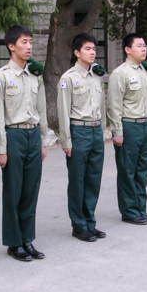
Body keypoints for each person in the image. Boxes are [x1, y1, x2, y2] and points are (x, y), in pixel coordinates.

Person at [0, 25, 49, 261]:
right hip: (13, 135)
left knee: (31, 190)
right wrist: (1, 149)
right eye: (24, 42)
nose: (29, 46)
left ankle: (27, 239)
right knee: (13, 191)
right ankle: (14, 243)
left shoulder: (35, 75)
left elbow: (41, 109)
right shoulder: (1, 77)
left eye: (30, 42)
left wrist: (44, 140)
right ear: (11, 46)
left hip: (32, 135)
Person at [57, 33, 106, 242]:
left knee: (93, 179)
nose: (92, 52)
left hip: (96, 131)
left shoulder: (96, 76)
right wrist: (66, 140)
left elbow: (102, 106)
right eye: (87, 48)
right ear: (77, 52)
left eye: (94, 48)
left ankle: (90, 222)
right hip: (79, 131)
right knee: (78, 181)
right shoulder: (68, 78)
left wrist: (103, 132)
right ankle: (79, 225)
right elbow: (63, 111)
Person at [107, 33, 147, 224]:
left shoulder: (145, 72)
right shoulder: (120, 73)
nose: (144, 49)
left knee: (143, 169)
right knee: (128, 170)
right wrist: (117, 131)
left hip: (145, 125)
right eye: (139, 46)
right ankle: (129, 211)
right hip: (129, 125)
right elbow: (114, 105)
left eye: (145, 46)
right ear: (128, 49)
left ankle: (140, 207)